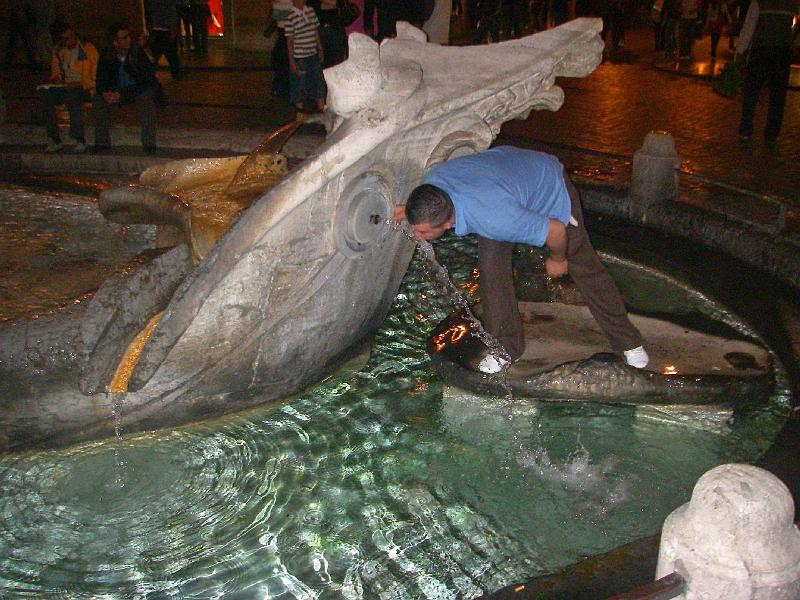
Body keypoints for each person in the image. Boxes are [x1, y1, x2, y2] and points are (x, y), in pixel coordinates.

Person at [394, 146, 648, 374]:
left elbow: (556, 230)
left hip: (548, 183)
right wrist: (409, 212)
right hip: (504, 183)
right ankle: (506, 348)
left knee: (585, 266)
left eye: (424, 232)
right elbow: (427, 207)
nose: (417, 235)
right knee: (491, 271)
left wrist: (558, 258)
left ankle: (629, 342)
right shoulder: (432, 186)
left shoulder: (496, 219)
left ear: (448, 223)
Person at [735, 0, 799, 149]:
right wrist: (795, 42)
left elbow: (749, 26)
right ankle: (771, 133)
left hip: (762, 49)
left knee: (752, 92)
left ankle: (747, 129)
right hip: (780, 51)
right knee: (777, 95)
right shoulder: (792, 3)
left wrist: (741, 51)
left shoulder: (760, 2)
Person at [93, 23, 161, 154]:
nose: (128, 40)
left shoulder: (136, 52)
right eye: (124, 38)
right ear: (115, 42)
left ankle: (149, 145)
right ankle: (102, 144)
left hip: (135, 90)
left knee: (146, 99)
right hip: (117, 91)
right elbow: (100, 80)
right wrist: (105, 93)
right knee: (97, 100)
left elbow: (147, 81)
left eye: (128, 36)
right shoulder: (107, 55)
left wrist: (122, 95)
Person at [37, 21, 98, 153]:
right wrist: (57, 79)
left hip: (85, 87)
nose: (67, 41)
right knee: (44, 94)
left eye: (70, 37)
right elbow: (54, 74)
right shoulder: (59, 51)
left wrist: (79, 83)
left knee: (72, 95)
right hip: (66, 86)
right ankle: (54, 138)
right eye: (64, 39)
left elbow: (96, 76)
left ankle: (79, 138)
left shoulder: (88, 49)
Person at [284, 0, 326, 113]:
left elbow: (315, 31)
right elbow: (290, 41)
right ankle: (300, 112)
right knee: (299, 84)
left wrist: (320, 48)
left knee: (318, 81)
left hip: (312, 53)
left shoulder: (310, 11)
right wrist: (292, 61)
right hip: (299, 56)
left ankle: (322, 110)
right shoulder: (290, 17)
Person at [145, 0, 183, 78]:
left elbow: (150, 15)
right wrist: (173, 31)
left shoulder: (154, 3)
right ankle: (176, 73)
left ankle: (149, 73)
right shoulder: (167, 3)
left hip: (157, 30)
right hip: (165, 30)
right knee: (171, 54)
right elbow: (171, 16)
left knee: (156, 54)